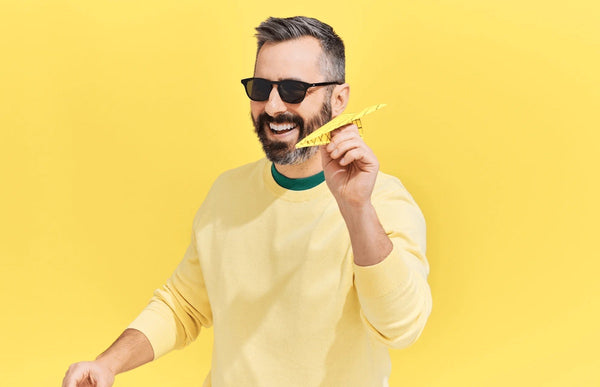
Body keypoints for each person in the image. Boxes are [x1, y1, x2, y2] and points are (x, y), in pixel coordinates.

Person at [62, 16, 432, 387]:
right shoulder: (227, 193)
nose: (272, 107)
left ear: (338, 99)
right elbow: (182, 305)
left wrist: (356, 210)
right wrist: (108, 364)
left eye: (292, 89)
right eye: (260, 87)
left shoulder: (383, 202)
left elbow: (401, 329)